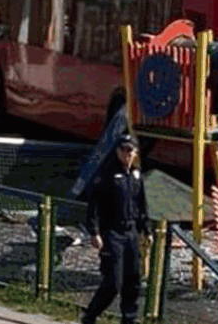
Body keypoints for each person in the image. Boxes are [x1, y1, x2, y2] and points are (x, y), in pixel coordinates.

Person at [82, 134, 149, 324]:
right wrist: (94, 232)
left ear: (135, 153)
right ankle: (90, 316)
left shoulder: (136, 175)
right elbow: (94, 205)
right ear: (117, 151)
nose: (127, 154)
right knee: (113, 281)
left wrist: (146, 229)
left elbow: (141, 204)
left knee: (133, 279)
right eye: (123, 150)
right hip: (112, 232)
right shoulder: (106, 174)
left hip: (131, 232)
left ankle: (129, 319)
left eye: (130, 150)